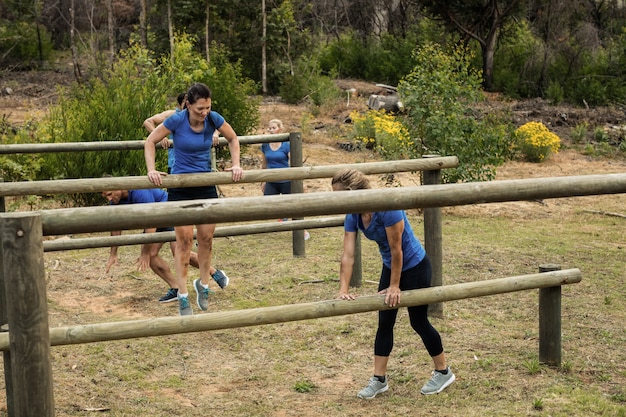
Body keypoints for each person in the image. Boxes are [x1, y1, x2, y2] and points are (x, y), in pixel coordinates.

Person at [331, 168, 455, 399]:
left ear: (352, 192)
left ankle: (443, 371)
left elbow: (397, 249)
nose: (335, 201)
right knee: (385, 321)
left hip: (415, 265)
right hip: (391, 266)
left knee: (418, 321)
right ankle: (379, 379)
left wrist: (395, 285)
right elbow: (348, 254)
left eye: (338, 196)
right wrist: (343, 290)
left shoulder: (387, 207)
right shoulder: (353, 216)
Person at [144, 82, 243, 316]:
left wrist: (236, 164)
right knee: (184, 242)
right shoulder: (177, 120)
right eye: (200, 108)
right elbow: (150, 141)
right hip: (180, 186)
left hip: (205, 184)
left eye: (207, 107)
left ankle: (204, 285)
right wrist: (151, 170)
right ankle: (183, 294)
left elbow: (233, 139)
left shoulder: (213, 118)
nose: (204, 112)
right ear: (188, 104)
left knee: (207, 239)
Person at [101, 188, 230, 303]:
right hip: (157, 221)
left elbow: (151, 225)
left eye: (110, 194)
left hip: (169, 214)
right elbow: (116, 228)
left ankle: (214, 272)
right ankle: (176, 288)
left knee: (180, 253)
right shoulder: (115, 202)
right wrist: (113, 254)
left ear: (118, 187)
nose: (109, 199)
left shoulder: (140, 192)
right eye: (106, 197)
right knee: (151, 257)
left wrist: (144, 253)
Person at [260, 119, 309, 239]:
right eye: (269, 128)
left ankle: (302, 230)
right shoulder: (265, 145)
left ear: (280, 129)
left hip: (286, 179)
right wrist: (262, 180)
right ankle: (282, 218)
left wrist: (300, 180)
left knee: (294, 206)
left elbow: (294, 163)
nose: (271, 131)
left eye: (274, 128)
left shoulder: (286, 145)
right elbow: (264, 163)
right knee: (268, 204)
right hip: (271, 180)